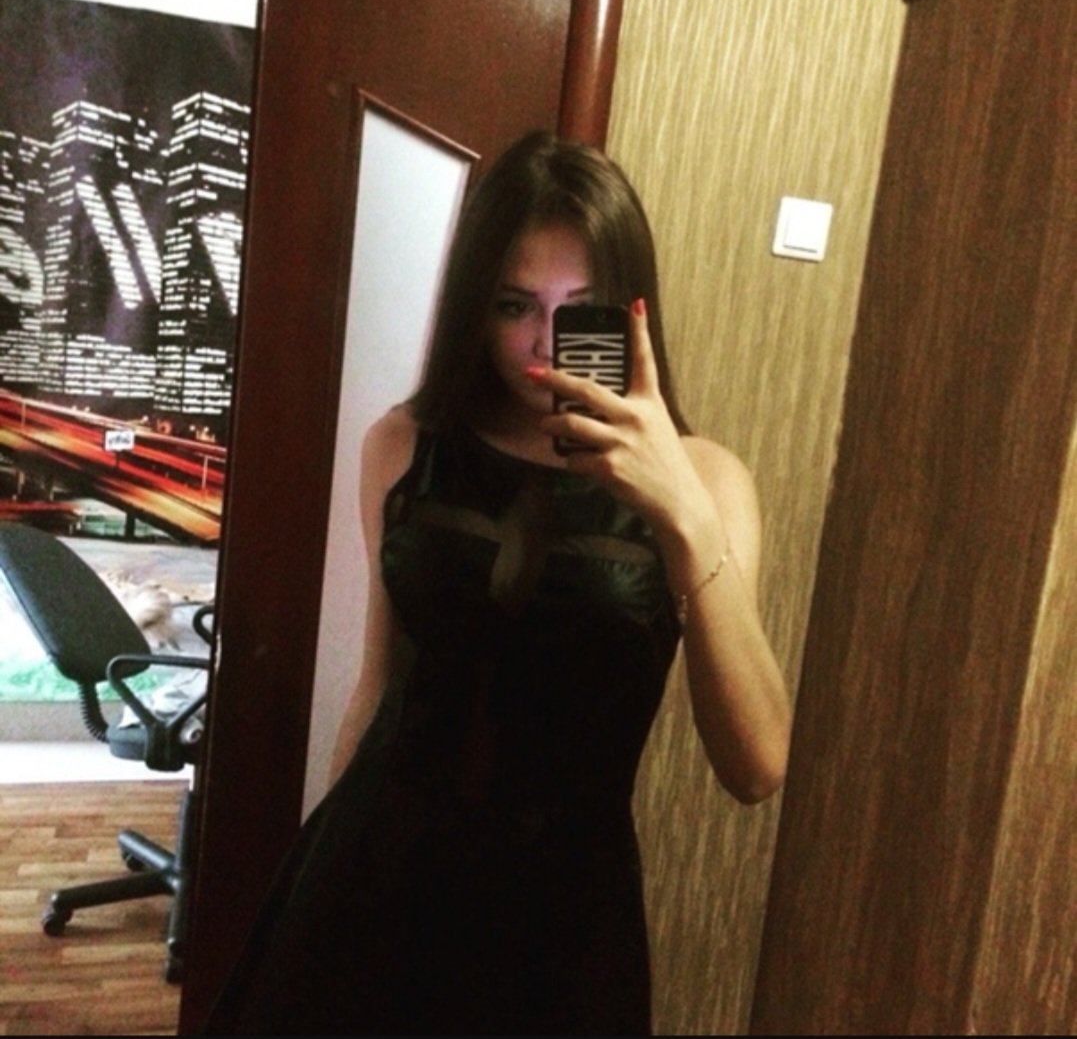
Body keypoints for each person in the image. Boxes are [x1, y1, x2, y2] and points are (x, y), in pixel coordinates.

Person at [205, 130, 791, 1036]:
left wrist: (680, 509)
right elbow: (377, 685)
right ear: (473, 307)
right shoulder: (403, 446)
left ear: (631, 313)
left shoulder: (707, 481)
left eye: (580, 309)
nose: (544, 344)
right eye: (514, 304)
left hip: (563, 920)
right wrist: (317, 873)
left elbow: (756, 765)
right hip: (374, 881)